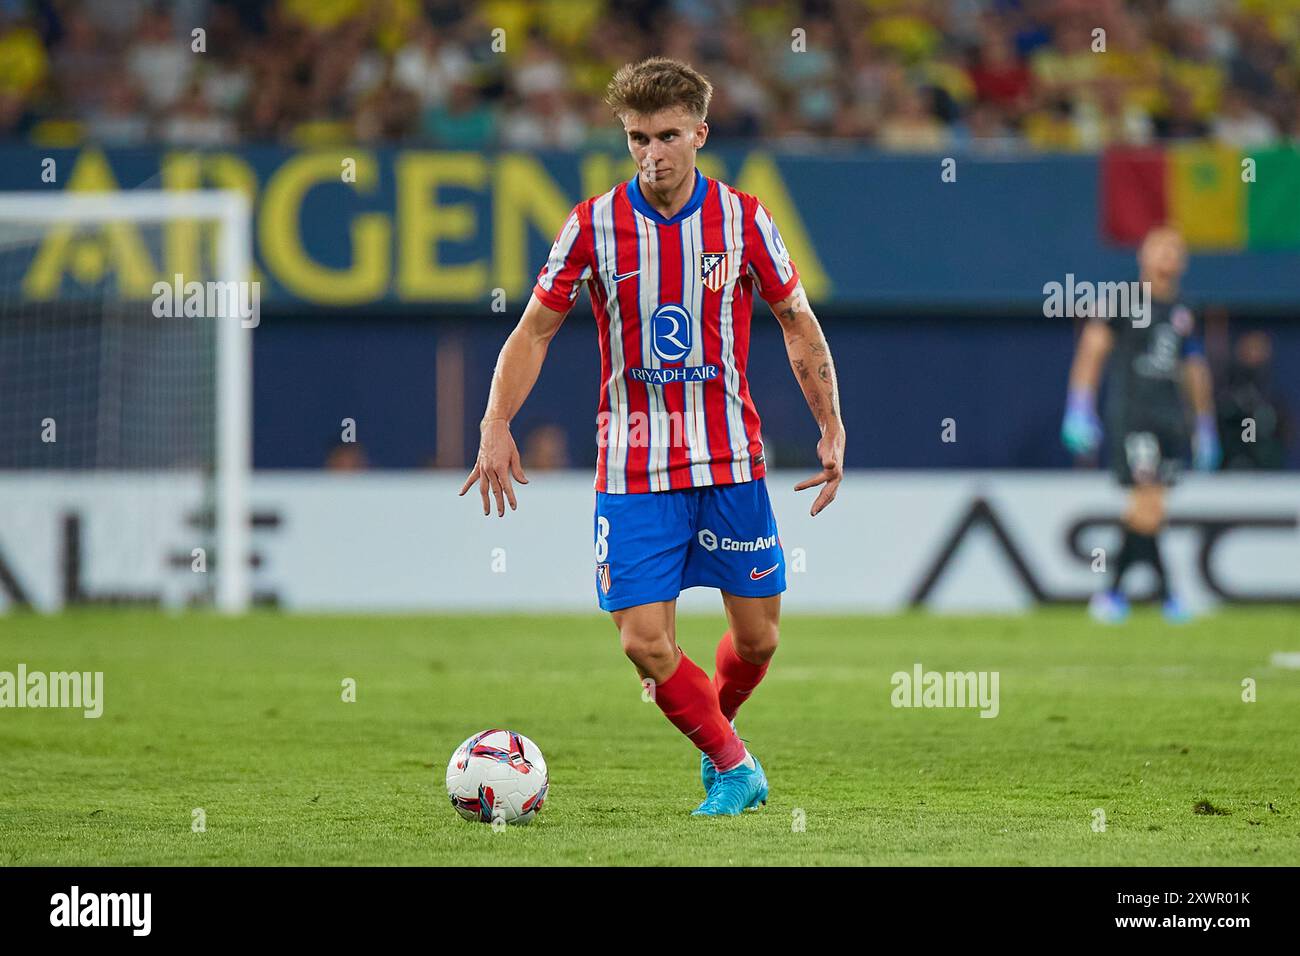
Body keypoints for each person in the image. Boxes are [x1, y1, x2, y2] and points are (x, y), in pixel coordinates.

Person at [459, 57, 845, 816]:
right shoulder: (591, 226)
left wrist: (830, 425)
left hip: (730, 459)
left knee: (760, 640)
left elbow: (796, 323)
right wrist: (495, 423)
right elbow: (534, 330)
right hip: (633, 464)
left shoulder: (743, 219)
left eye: (668, 136)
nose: (652, 154)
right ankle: (735, 767)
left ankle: (715, 728)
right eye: (638, 138)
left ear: (701, 132)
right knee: (643, 641)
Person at [1061, 226, 1219, 622]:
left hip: (1170, 420)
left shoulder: (1183, 309)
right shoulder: (1123, 299)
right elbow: (1093, 348)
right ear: (1142, 257)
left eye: (1175, 249)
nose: (1168, 256)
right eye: (1160, 248)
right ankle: (1163, 595)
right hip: (1135, 417)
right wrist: (1080, 405)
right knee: (1149, 501)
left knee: (1150, 507)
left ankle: (1117, 594)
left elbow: (1194, 369)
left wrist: (1204, 422)